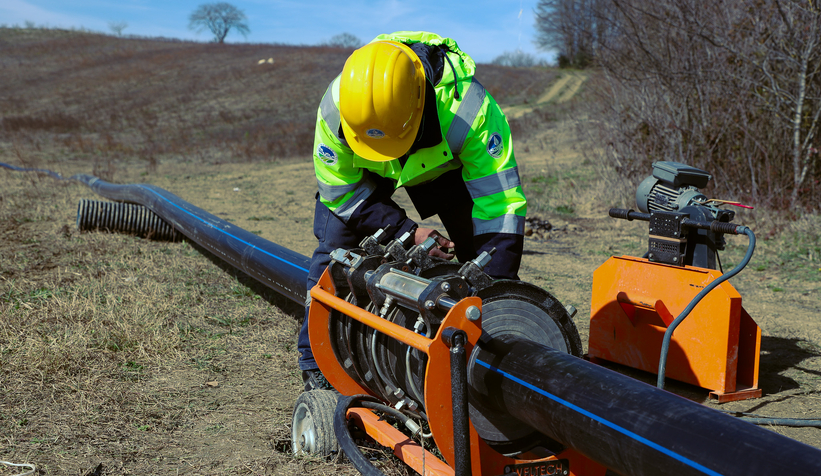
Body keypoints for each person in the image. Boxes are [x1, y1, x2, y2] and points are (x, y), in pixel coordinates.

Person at [299, 31, 527, 391]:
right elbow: (342, 194)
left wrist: (495, 288)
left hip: (443, 168)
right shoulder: (336, 110)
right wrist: (407, 232)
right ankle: (316, 363)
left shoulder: (468, 108)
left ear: (420, 104)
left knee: (482, 258)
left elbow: (499, 203)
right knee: (333, 254)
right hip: (365, 176)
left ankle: (487, 357)